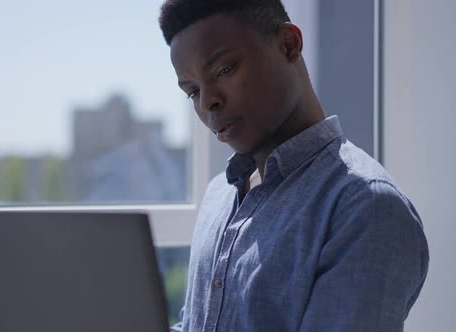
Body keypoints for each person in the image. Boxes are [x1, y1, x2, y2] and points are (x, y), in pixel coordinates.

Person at [158, 0, 429, 331]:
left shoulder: (366, 207)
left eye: (224, 70)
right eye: (192, 91)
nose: (207, 102)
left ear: (288, 45)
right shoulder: (219, 196)